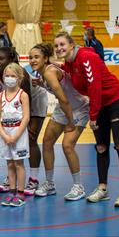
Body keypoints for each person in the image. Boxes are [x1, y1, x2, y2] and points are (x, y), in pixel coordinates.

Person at [55, 31, 119, 207]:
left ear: (72, 45)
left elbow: (94, 87)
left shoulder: (86, 57)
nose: (59, 48)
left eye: (62, 44)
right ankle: (102, 189)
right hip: (99, 105)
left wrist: (93, 115)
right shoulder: (69, 62)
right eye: (56, 45)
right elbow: (70, 73)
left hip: (114, 101)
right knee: (101, 147)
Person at [29, 43, 88, 201]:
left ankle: (78, 187)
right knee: (47, 141)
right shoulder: (44, 74)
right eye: (30, 57)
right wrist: (41, 84)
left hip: (78, 108)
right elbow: (61, 93)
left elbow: (64, 99)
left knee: (67, 146)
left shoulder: (49, 72)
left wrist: (70, 122)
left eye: (36, 57)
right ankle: (49, 184)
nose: (32, 60)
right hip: (64, 108)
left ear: (45, 58)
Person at [0, 47, 47, 196]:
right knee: (10, 153)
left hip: (34, 103)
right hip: (13, 107)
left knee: (31, 139)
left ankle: (33, 179)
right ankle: (12, 178)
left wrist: (26, 125)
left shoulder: (21, 75)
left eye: (1, 59)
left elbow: (26, 99)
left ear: (10, 59)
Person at [0, 63, 30, 207]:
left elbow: (26, 117)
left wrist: (15, 136)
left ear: (19, 78)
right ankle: (12, 190)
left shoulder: (23, 95)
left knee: (19, 163)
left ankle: (20, 193)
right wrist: (3, 134)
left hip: (18, 132)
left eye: (12, 76)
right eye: (7, 76)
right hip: (4, 132)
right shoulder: (0, 95)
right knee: (9, 163)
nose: (9, 78)